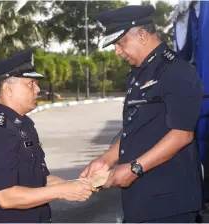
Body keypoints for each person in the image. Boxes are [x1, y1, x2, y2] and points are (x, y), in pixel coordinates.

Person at [80, 5, 204, 223]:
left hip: (170, 203)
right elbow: (136, 128)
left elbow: (181, 134)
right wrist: (106, 159)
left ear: (144, 36)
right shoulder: (138, 75)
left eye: (120, 43)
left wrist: (135, 168)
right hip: (140, 199)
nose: (117, 51)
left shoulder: (177, 71)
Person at [0, 50, 96, 223]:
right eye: (30, 83)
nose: (38, 89)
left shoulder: (24, 125)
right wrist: (63, 191)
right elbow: (6, 197)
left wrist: (76, 185)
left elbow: (41, 180)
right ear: (8, 89)